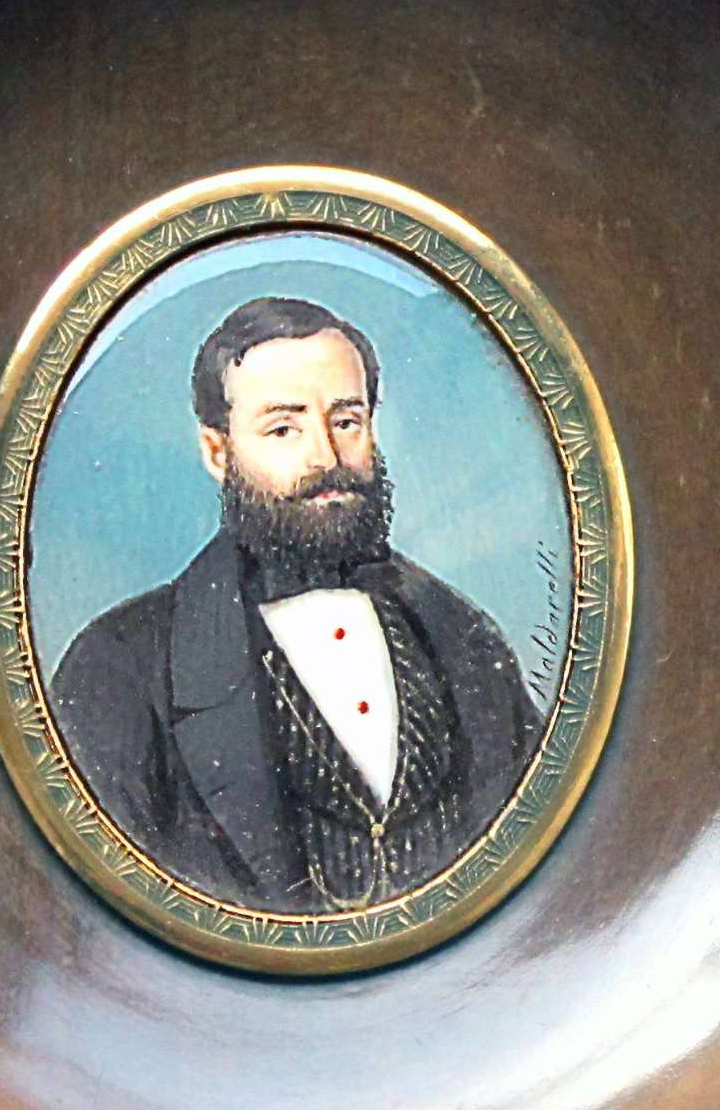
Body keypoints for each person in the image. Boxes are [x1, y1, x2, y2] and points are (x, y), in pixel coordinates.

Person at [50, 297, 541, 913]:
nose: (326, 459)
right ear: (218, 452)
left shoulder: (461, 635)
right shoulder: (118, 665)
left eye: (346, 421)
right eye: (284, 429)